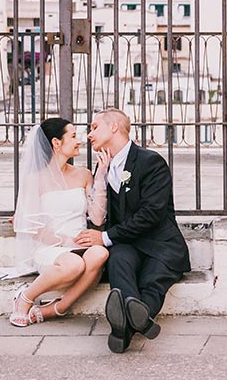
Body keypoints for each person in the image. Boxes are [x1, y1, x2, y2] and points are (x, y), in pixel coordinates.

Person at [80, 108, 191, 353]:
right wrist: (101, 175)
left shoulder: (150, 161)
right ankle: (136, 320)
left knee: (152, 282)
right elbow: (99, 214)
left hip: (160, 245)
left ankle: (122, 331)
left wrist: (105, 237)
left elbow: (151, 214)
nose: (89, 134)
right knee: (118, 261)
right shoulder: (104, 166)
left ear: (114, 127)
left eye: (95, 127)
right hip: (127, 245)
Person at [0, 117, 110, 327]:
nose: (80, 141)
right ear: (57, 143)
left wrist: (101, 175)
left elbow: (97, 217)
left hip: (80, 243)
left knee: (100, 254)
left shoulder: (84, 174)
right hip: (50, 246)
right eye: (74, 136)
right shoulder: (35, 179)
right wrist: (62, 241)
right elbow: (28, 225)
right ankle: (25, 298)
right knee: (74, 264)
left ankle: (58, 307)